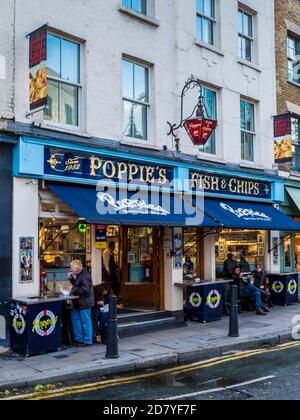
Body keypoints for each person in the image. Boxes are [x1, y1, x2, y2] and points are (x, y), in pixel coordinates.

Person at [68, 259, 94, 347]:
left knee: (85, 321)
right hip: (78, 302)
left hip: (84, 302)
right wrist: (71, 279)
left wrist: (73, 290)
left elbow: (85, 289)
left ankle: (87, 340)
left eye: (72, 267)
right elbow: (77, 285)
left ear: (76, 268)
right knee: (75, 319)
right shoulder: (80, 275)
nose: (70, 269)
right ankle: (79, 339)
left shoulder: (85, 275)